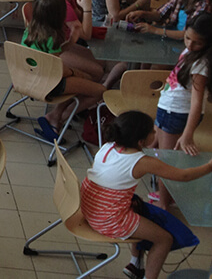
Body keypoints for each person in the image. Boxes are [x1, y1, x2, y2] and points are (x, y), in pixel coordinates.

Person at [80, 111, 212, 279]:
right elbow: (183, 176)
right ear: (141, 141)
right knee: (164, 239)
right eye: (152, 131)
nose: (156, 133)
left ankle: (135, 264)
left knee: (137, 205)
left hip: (89, 208)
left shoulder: (107, 147)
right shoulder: (141, 161)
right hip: (107, 219)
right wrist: (208, 166)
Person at [22, 0, 107, 139]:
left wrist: (71, 43)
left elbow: (52, 56)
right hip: (48, 82)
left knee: (83, 80)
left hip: (29, 76)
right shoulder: (53, 37)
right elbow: (57, 70)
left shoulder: (31, 29)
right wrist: (75, 73)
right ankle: (60, 117)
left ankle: (56, 115)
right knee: (100, 90)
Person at [150, 13, 212, 211]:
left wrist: (187, 135)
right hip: (168, 108)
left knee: (166, 162)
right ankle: (166, 196)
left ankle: (164, 204)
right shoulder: (190, 52)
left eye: (197, 43)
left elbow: (196, 104)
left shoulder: (201, 64)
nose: (190, 45)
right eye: (187, 38)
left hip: (176, 114)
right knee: (162, 154)